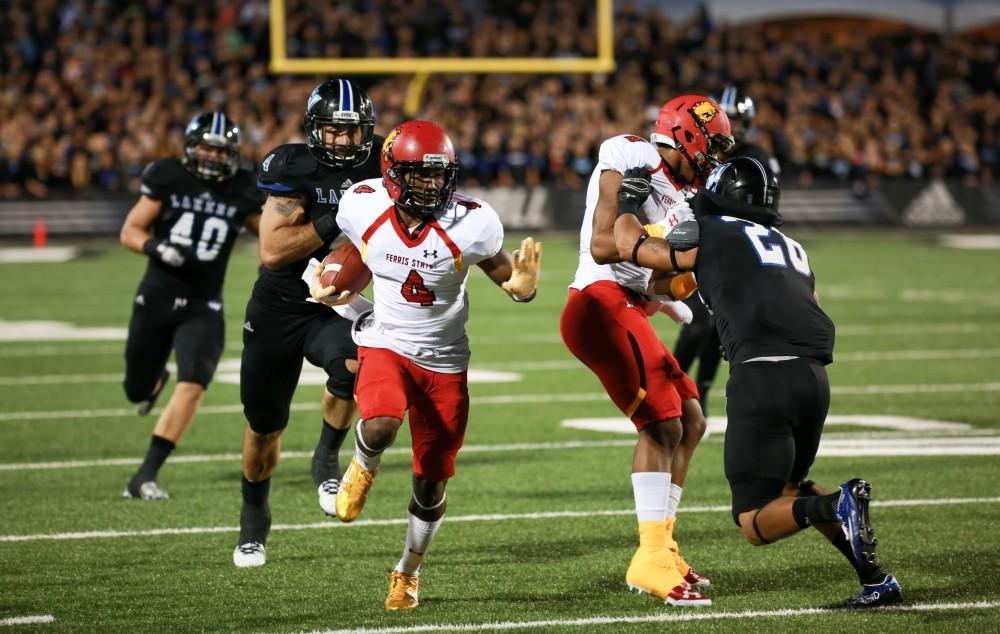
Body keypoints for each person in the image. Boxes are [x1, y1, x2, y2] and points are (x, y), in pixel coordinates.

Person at [613, 156, 902, 608]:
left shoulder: (712, 230)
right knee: (794, 487)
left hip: (763, 375)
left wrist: (626, 202)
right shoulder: (793, 246)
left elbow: (631, 248)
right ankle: (875, 579)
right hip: (813, 378)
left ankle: (836, 505)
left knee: (753, 520)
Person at [325, 120, 542, 610]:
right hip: (387, 340)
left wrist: (523, 288)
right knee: (379, 425)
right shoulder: (363, 203)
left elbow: (506, 275)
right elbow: (354, 251)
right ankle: (362, 465)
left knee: (431, 481)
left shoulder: (473, 222)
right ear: (392, 173)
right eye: (419, 175)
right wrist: (334, 282)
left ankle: (407, 571)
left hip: (444, 359)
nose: (431, 184)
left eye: (439, 175)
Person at [558, 95, 736, 607]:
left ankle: (664, 545)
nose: (715, 156)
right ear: (685, 135)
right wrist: (672, 248)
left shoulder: (688, 192)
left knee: (693, 419)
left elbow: (659, 275)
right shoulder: (633, 154)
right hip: (598, 299)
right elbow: (603, 243)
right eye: (713, 144)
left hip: (632, 303)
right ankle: (650, 556)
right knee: (662, 424)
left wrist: (676, 284)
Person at [233, 79, 383, 567]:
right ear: (315, 130)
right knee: (263, 428)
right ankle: (254, 518)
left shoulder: (384, 161)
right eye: (334, 131)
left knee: (355, 366)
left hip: (336, 303)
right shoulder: (293, 165)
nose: (343, 141)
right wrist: (340, 216)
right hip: (279, 306)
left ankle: (325, 460)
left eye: (353, 132)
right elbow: (273, 251)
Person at [119, 112, 263, 500]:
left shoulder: (243, 190)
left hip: (204, 304)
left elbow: (269, 241)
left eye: (220, 150)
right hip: (157, 297)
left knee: (194, 383)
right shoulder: (168, 175)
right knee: (135, 389)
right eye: (205, 147)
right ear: (190, 146)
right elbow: (131, 229)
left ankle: (145, 475)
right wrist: (155, 247)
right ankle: (152, 382)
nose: (212, 156)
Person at [672, 87, 781, 415]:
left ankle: (700, 394)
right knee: (700, 322)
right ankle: (671, 382)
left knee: (719, 328)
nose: (732, 124)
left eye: (736, 118)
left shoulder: (755, 158)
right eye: (727, 118)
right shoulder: (697, 151)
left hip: (734, 250)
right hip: (700, 246)